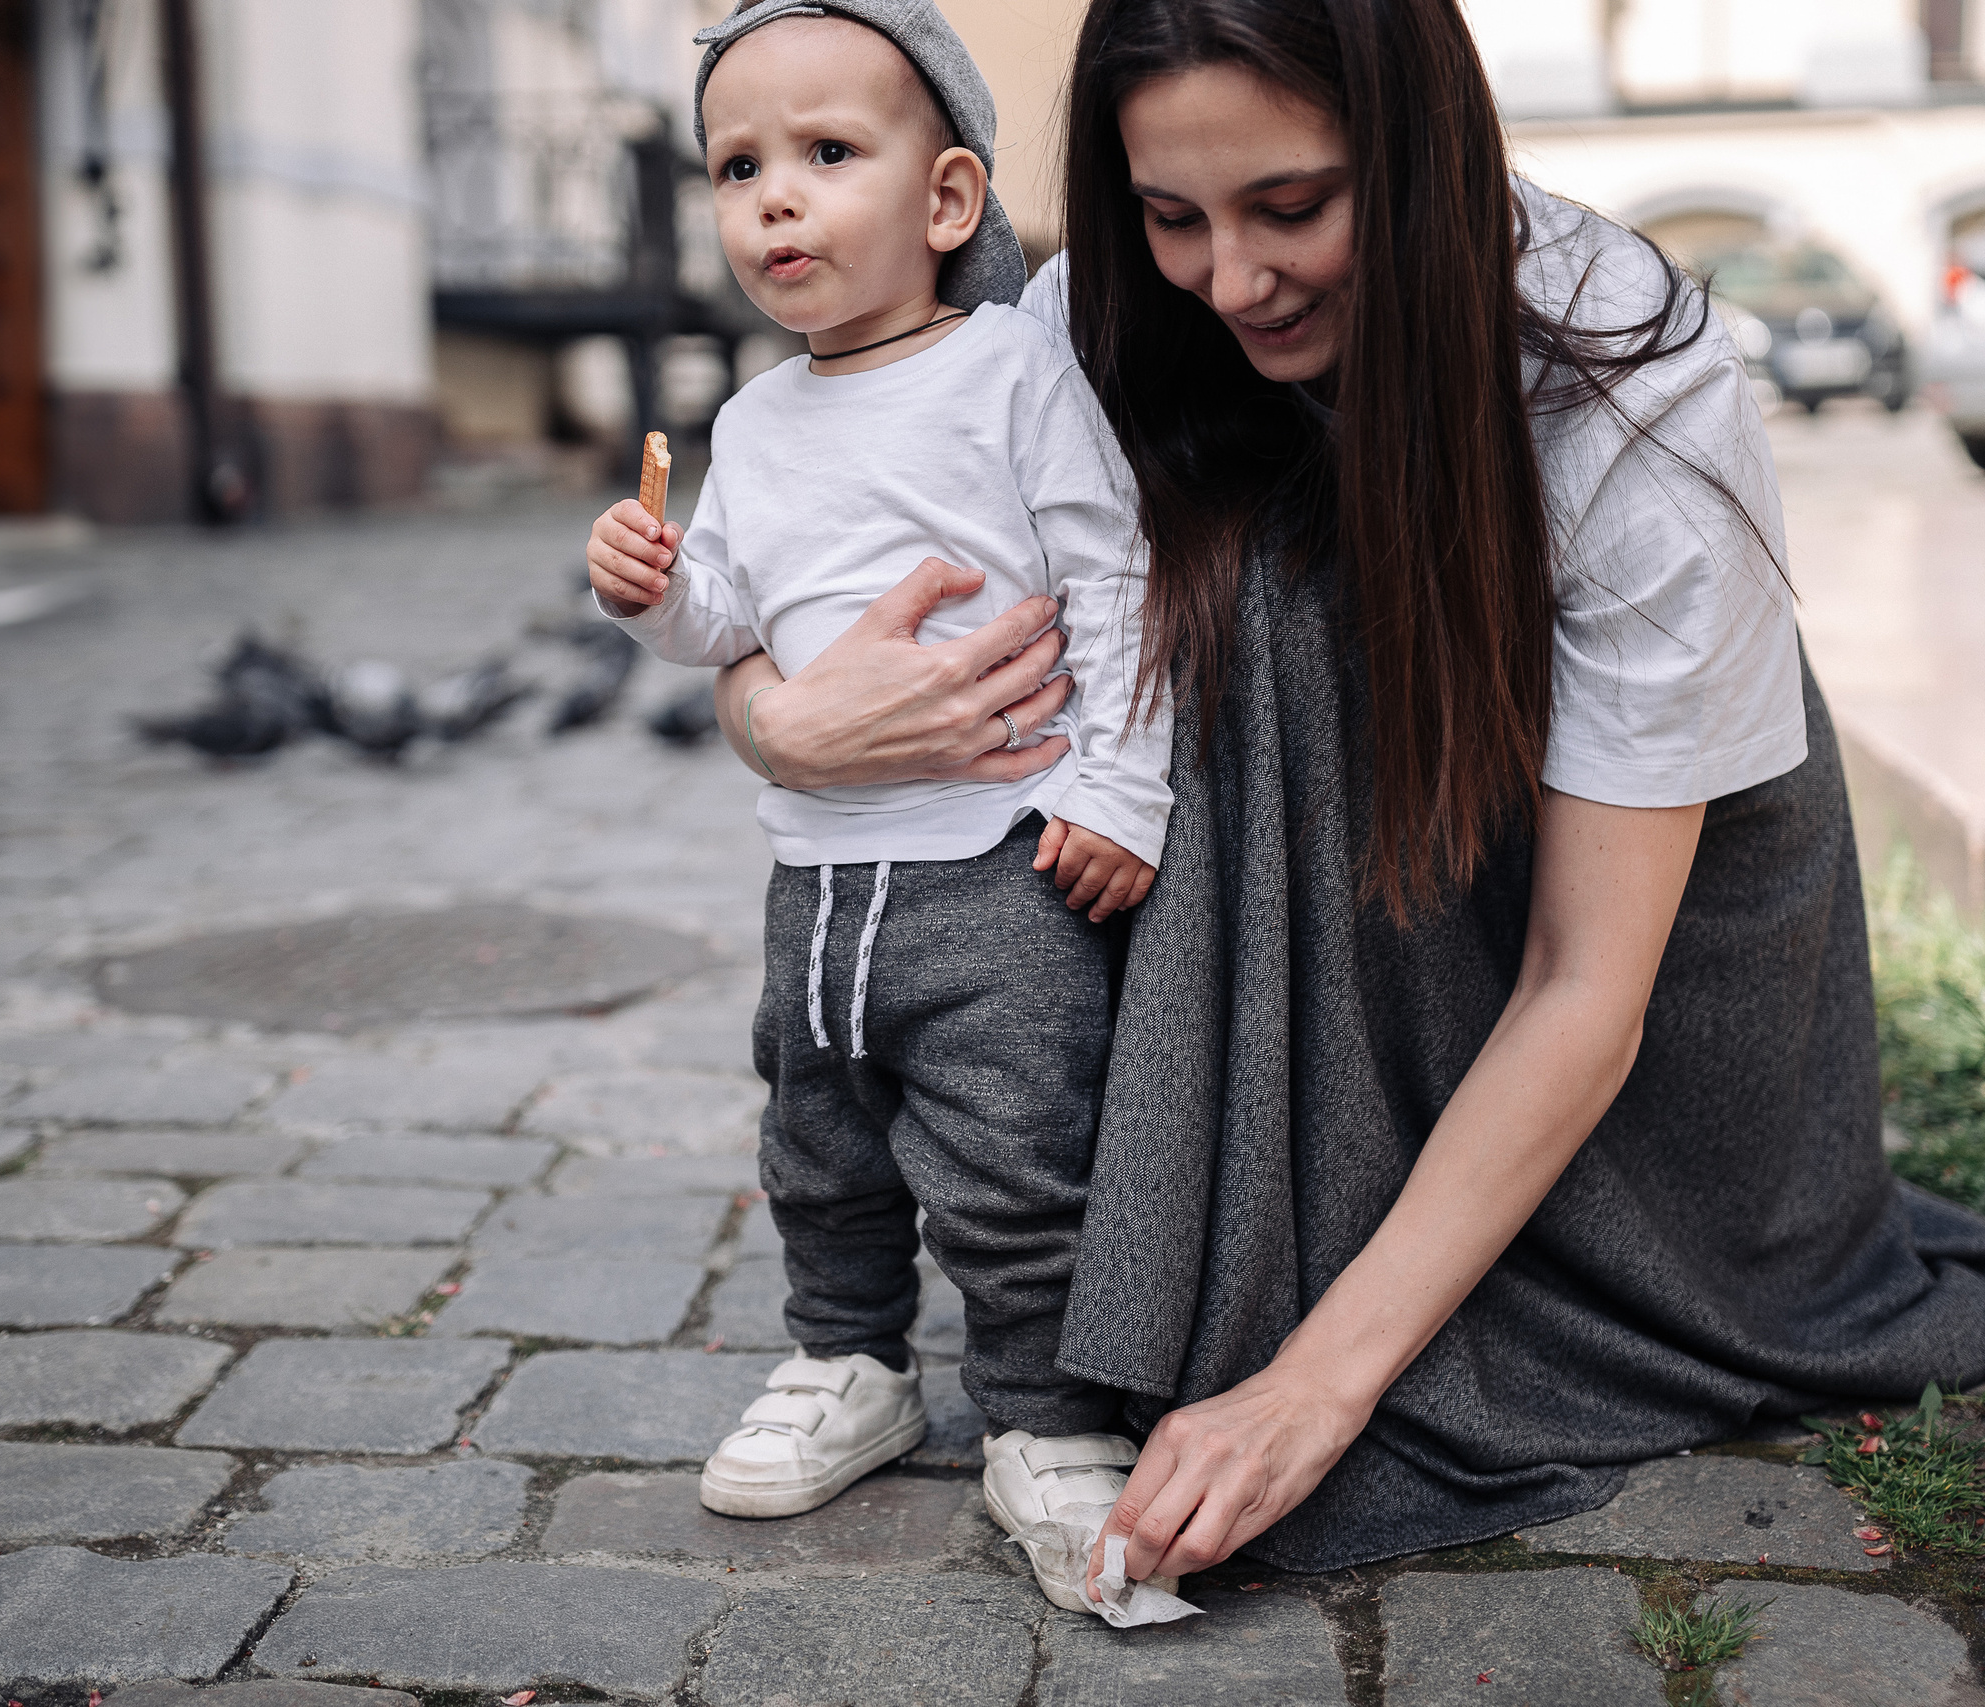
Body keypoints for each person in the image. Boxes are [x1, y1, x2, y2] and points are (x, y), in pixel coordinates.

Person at [705, 0, 1985, 1587]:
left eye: (1292, 206)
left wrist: (1313, 1386)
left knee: (1257, 603)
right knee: (1215, 593)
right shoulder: (1084, 321)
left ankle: (1324, 1252)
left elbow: (1590, 983)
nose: (1233, 280)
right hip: (1342, 908)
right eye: (1172, 215)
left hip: (1633, 998)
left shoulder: (1627, 376)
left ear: (1420, 153)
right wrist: (779, 728)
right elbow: (822, 568)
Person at [583, 0, 1181, 1611]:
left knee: (1016, 1155)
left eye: (828, 153)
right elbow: (732, 621)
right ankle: (849, 1360)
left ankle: (1047, 1414)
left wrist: (1123, 792)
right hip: (819, 884)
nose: (774, 196)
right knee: (818, 1140)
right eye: (738, 168)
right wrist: (656, 590)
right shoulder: (752, 420)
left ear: (947, 198)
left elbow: (1116, 582)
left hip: (1000, 866)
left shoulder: (1013, 374)